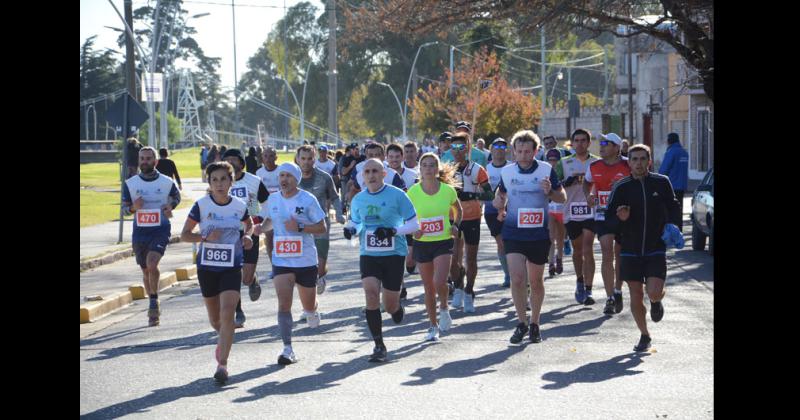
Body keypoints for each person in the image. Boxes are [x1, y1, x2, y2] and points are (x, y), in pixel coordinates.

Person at [180, 161, 253, 384]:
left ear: (231, 181)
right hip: (207, 268)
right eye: (215, 180)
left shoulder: (239, 205)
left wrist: (247, 235)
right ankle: (222, 340)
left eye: (223, 179)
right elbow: (184, 235)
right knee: (215, 320)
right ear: (209, 183)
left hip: (231, 266)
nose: (219, 184)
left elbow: (249, 224)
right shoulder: (201, 206)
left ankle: (223, 364)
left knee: (228, 312)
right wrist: (203, 238)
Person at [606, 144, 681, 352]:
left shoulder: (661, 182)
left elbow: (674, 207)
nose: (638, 163)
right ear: (628, 162)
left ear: (649, 161)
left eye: (642, 159)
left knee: (654, 292)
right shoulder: (621, 187)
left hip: (655, 247)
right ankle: (644, 335)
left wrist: (674, 227)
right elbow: (608, 220)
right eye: (634, 159)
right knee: (636, 294)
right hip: (629, 249)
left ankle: (656, 302)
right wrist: (620, 219)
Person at [493, 130, 566, 344]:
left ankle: (535, 322)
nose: (523, 155)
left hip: (538, 234)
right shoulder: (507, 172)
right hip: (514, 232)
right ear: (513, 152)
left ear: (535, 151)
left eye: (528, 151)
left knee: (535, 281)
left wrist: (550, 191)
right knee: (517, 278)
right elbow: (501, 196)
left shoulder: (545, 170)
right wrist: (499, 203)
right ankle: (521, 323)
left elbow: (562, 198)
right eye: (519, 151)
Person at [345, 159, 419, 361]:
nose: (371, 175)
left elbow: (414, 224)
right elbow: (357, 222)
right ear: (362, 176)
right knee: (370, 294)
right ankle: (379, 345)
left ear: (384, 174)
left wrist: (393, 230)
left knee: (389, 305)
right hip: (368, 253)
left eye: (375, 171)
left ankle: (396, 309)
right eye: (367, 171)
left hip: (394, 254)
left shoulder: (397, 195)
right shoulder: (358, 199)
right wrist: (351, 229)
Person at [259, 162, 328, 365]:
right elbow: (270, 220)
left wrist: (300, 226)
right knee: (284, 304)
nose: (284, 180)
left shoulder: (307, 199)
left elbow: (321, 227)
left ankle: (312, 310)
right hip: (282, 260)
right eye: (281, 176)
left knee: (308, 306)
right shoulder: (273, 199)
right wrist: (260, 228)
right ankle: (287, 348)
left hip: (305, 260)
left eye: (288, 176)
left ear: (296, 179)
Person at [121, 146, 181, 327]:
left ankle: (154, 301)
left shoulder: (166, 182)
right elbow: (124, 210)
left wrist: (170, 206)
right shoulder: (130, 184)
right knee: (146, 270)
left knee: (152, 263)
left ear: (155, 162)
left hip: (160, 229)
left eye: (148, 158)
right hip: (140, 232)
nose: (144, 161)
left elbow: (176, 197)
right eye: (142, 158)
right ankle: (152, 301)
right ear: (139, 161)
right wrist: (133, 208)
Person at [407, 153, 463, 341]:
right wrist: (414, 231)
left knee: (440, 282)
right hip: (422, 243)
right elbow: (405, 217)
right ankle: (432, 326)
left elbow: (458, 210)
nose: (428, 169)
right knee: (429, 287)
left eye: (432, 165)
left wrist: (455, 225)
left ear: (437, 169)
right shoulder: (413, 192)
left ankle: (444, 307)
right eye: (425, 165)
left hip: (443, 240)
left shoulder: (447, 191)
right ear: (420, 169)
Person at [222, 148, 270, 328]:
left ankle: (252, 280)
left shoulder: (254, 181)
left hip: (249, 231)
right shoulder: (220, 182)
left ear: (241, 163)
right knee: (233, 274)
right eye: (227, 160)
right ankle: (238, 311)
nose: (231, 163)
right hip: (228, 233)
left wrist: (259, 221)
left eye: (234, 160)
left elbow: (267, 204)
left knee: (245, 278)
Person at [584, 133, 630, 315]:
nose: (601, 146)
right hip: (603, 214)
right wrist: (588, 195)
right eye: (600, 143)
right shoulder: (594, 166)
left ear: (617, 148)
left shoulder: (628, 164)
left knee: (620, 255)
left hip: (624, 215)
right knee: (606, 253)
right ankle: (610, 297)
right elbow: (586, 184)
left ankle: (618, 289)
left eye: (606, 143)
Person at [447, 132, 493, 313]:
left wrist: (471, 194)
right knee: (452, 260)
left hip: (472, 217)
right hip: (452, 218)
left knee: (471, 259)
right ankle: (458, 286)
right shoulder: (445, 170)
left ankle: (468, 291)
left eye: (461, 147)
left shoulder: (477, 169)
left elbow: (490, 194)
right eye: (454, 148)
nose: (457, 151)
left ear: (467, 148)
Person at [555, 129, 600, 306]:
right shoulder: (563, 163)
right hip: (571, 211)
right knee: (578, 249)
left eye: (583, 140)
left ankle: (589, 289)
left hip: (591, 210)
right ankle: (580, 279)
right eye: (577, 140)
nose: (580, 144)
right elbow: (554, 184)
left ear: (589, 143)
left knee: (588, 247)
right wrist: (566, 183)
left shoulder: (596, 162)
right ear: (572, 143)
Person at [295, 145, 346, 296]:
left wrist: (339, 213)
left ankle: (322, 275)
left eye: (309, 158)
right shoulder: (291, 178)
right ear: (297, 159)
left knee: (320, 265)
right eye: (303, 159)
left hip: (320, 226)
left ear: (314, 159)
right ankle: (308, 303)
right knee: (303, 268)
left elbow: (335, 197)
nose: (306, 162)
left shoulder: (324, 177)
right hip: (299, 228)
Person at [387, 143, 420, 283]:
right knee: (394, 257)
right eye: (391, 157)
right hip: (391, 221)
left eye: (397, 156)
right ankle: (400, 288)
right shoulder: (382, 175)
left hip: (409, 220)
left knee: (409, 261)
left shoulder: (413, 175)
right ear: (386, 158)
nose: (394, 160)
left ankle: (412, 266)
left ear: (402, 157)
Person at [484, 138, 513, 287]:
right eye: (496, 146)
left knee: (510, 242)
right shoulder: (486, 169)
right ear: (491, 149)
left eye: (503, 146)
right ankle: (508, 274)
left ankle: (514, 272)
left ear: (506, 150)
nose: (500, 148)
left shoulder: (511, 167)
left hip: (511, 209)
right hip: (491, 211)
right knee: (500, 242)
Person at [257, 146, 281, 275]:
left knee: (281, 237)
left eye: (271, 156)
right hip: (267, 210)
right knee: (269, 237)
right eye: (265, 156)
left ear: (276, 157)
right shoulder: (259, 173)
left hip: (281, 209)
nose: (268, 159)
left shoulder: (281, 171)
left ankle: (284, 265)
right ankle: (274, 267)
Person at [658, 132, 689, 231]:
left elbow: (663, 170)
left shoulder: (671, 152)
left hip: (671, 186)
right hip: (682, 186)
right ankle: (679, 229)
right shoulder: (684, 152)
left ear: (669, 141)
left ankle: (672, 231)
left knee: (669, 210)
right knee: (679, 209)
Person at [545, 149, 566, 277]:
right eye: (550, 159)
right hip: (550, 208)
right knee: (551, 237)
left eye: (555, 160)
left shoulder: (563, 169)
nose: (552, 162)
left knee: (560, 237)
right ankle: (551, 262)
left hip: (562, 208)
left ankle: (560, 258)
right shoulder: (545, 171)